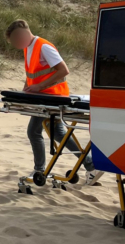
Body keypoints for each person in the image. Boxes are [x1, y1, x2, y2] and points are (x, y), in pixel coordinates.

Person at [5, 20, 101, 185]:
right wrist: (23, 95)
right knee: (58, 134)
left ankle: (39, 169)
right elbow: (32, 76)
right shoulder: (28, 48)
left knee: (33, 132)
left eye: (14, 40)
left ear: (23, 34)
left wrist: (40, 87)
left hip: (53, 97)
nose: (15, 45)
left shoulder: (43, 46)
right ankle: (91, 165)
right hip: (43, 97)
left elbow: (64, 70)